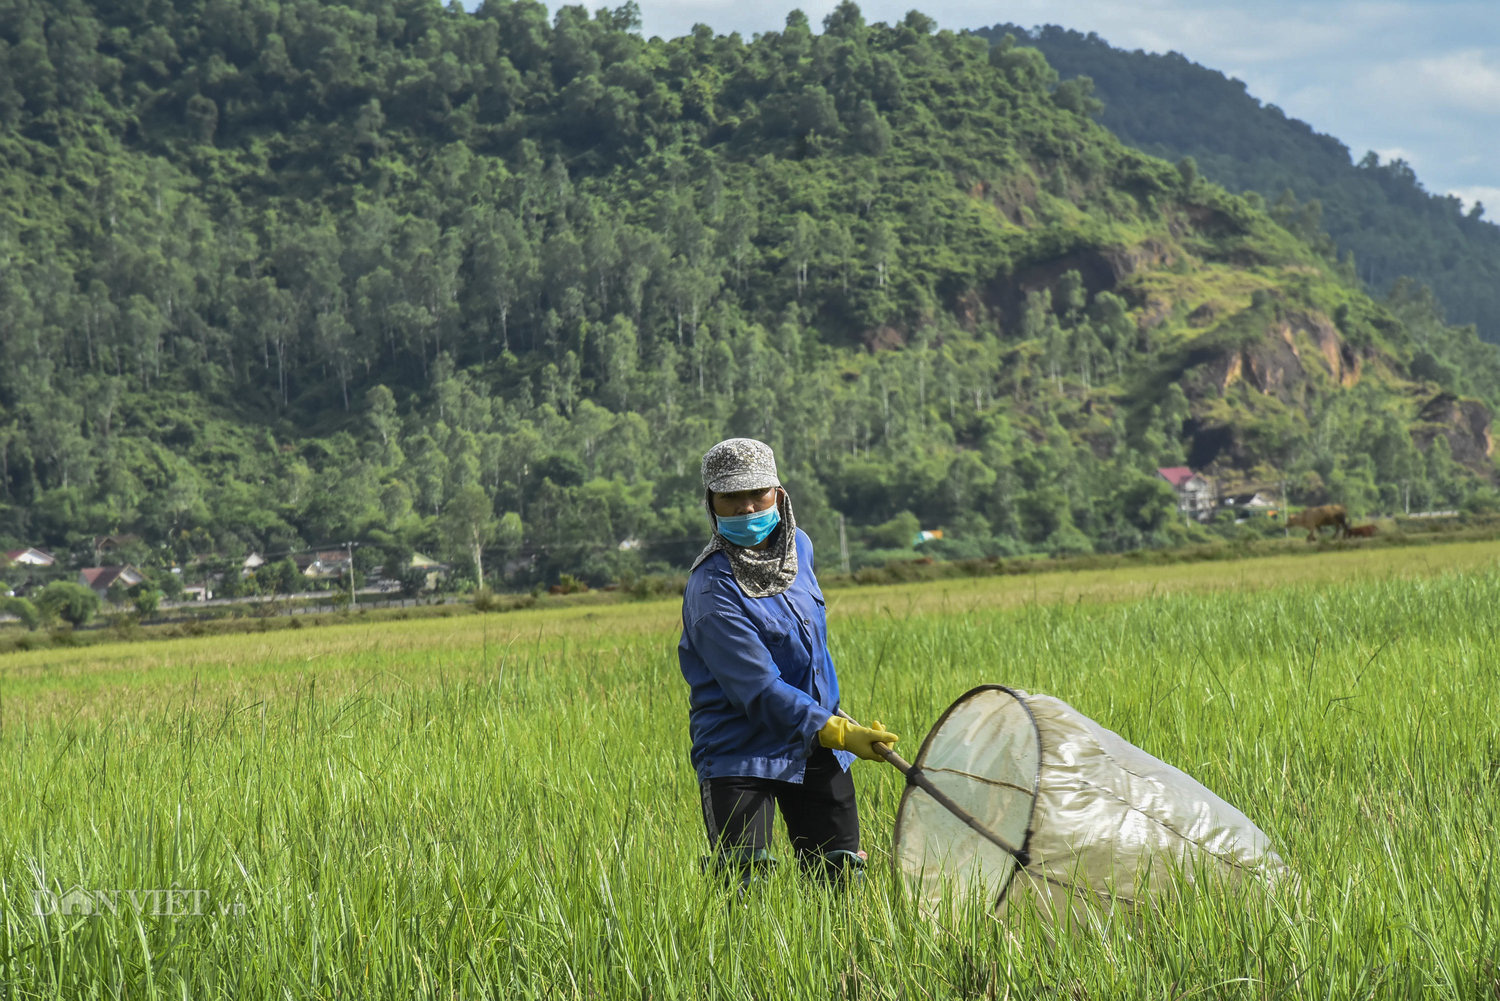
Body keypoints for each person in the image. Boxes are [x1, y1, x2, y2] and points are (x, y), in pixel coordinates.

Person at [678, 437, 899, 888]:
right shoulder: (711, 590)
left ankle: (845, 962)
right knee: (746, 885)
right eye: (730, 497)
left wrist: (829, 728)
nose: (745, 507)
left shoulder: (800, 548)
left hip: (816, 742)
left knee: (840, 874)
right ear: (712, 503)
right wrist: (837, 730)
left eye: (756, 493)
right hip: (741, 752)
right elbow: (757, 689)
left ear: (778, 493)